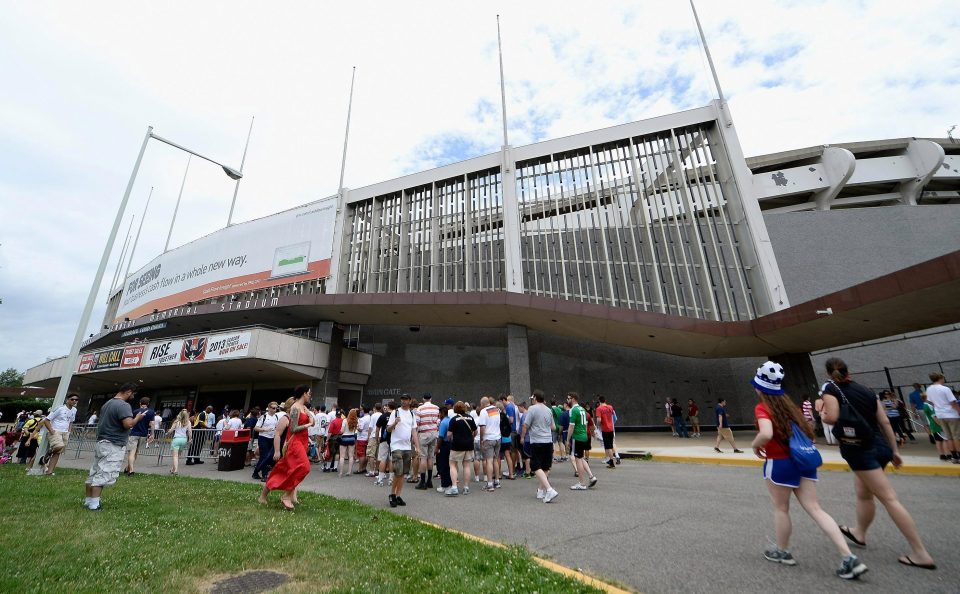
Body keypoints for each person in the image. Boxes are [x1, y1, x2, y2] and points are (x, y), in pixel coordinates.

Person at [748, 361, 867, 579]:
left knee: (781, 509)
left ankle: (783, 552)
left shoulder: (762, 407)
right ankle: (848, 556)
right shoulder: (789, 406)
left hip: (780, 462)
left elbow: (766, 433)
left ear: (760, 387)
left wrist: (756, 445)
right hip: (803, 460)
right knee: (815, 509)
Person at [819, 357, 936, 570]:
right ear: (848, 372)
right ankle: (859, 532)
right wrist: (894, 450)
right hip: (880, 445)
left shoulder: (830, 389)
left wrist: (822, 412)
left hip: (860, 449)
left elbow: (832, 417)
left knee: (889, 498)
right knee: (863, 492)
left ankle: (920, 553)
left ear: (829, 374)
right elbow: (883, 421)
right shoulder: (866, 390)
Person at [85, 383, 147, 511]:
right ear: (129, 392)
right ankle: (94, 504)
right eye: (133, 394)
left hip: (102, 441)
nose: (133, 396)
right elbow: (128, 424)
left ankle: (88, 500)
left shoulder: (107, 404)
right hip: (113, 443)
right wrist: (138, 418)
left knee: (95, 471)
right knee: (104, 473)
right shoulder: (123, 405)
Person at [259, 386, 313, 510]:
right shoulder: (294, 409)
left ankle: (269, 496)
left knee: (286, 469)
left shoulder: (304, 407)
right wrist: (308, 424)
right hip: (295, 443)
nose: (310, 395)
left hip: (303, 442)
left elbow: (313, 420)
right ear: (304, 393)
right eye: (309, 393)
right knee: (304, 467)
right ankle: (286, 496)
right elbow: (293, 429)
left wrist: (310, 419)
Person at [522, 390, 559, 503]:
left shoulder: (532, 409)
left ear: (535, 398)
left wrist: (522, 437)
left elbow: (526, 425)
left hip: (537, 441)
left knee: (535, 466)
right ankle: (540, 491)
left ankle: (549, 489)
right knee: (545, 467)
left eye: (532, 399)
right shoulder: (548, 410)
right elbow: (553, 427)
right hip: (548, 441)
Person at [387, 394, 420, 507]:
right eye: (402, 399)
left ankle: (398, 495)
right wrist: (395, 423)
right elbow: (388, 429)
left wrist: (417, 447)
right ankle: (392, 494)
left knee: (403, 473)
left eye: (406, 400)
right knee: (398, 472)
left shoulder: (411, 414)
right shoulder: (395, 412)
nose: (404, 401)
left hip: (407, 447)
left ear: (410, 401)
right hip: (396, 446)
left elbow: (414, 431)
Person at [39, 394, 79, 475]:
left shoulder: (74, 410)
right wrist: (52, 431)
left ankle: (49, 472)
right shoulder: (60, 408)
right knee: (59, 446)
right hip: (56, 431)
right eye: (72, 399)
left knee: (58, 452)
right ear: (67, 400)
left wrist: (69, 431)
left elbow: (71, 421)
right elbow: (46, 420)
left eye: (76, 400)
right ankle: (48, 453)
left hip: (65, 432)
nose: (74, 401)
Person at [925, 372, 960, 463]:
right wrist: (958, 411)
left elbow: (931, 402)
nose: (944, 380)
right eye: (943, 378)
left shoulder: (929, 389)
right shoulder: (945, 389)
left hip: (940, 415)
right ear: (940, 378)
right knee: (956, 436)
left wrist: (938, 407)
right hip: (951, 414)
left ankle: (954, 456)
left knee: (948, 436)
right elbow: (953, 402)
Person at [567, 392, 597, 490]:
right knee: (581, 457)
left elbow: (571, 426)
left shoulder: (573, 410)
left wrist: (568, 440)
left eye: (569, 398)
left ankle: (581, 483)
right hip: (584, 436)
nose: (567, 400)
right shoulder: (582, 409)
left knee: (577, 459)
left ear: (573, 399)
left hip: (577, 437)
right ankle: (591, 476)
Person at [447, 401, 477, 496]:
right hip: (468, 445)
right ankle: (466, 488)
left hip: (457, 445)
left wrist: (451, 439)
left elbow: (449, 434)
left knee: (452, 464)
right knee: (467, 466)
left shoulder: (453, 419)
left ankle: (454, 487)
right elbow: (475, 431)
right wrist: (471, 437)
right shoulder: (470, 418)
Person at [414, 394, 440, 490]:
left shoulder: (420, 409)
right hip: (433, 434)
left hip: (423, 434)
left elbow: (417, 423)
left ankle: (423, 482)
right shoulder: (436, 408)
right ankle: (429, 481)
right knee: (430, 458)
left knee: (423, 458)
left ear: (423, 399)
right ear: (431, 399)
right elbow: (438, 422)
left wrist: (415, 437)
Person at [476, 396, 502, 492]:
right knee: (495, 459)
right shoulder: (497, 409)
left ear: (482, 404)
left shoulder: (484, 411)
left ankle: (490, 484)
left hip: (489, 438)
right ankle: (497, 481)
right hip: (498, 438)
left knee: (489, 461)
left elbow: (482, 427)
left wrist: (482, 439)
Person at [123, 397, 155, 476]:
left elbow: (131, 422)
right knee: (136, 452)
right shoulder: (151, 412)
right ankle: (128, 468)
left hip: (133, 433)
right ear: (148, 404)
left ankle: (130, 470)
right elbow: (152, 424)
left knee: (131, 452)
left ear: (140, 403)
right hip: (143, 434)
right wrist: (152, 434)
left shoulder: (135, 411)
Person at [252, 402, 279, 481]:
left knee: (268, 457)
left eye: (276, 408)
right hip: (263, 437)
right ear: (269, 408)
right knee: (265, 456)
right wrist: (264, 429)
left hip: (272, 438)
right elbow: (256, 428)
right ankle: (264, 475)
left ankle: (256, 472)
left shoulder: (276, 417)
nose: (275, 410)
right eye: (273, 408)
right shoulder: (263, 417)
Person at [921, 394, 950, 460]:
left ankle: (942, 455)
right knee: (945, 440)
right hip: (937, 425)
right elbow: (934, 417)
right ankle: (948, 454)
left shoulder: (924, 405)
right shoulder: (929, 406)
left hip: (932, 425)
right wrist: (941, 425)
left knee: (938, 440)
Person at [166, 409, 192, 475]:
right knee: (178, 456)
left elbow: (171, 430)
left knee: (175, 456)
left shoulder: (176, 421)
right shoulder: (188, 422)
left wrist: (167, 433)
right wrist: (190, 439)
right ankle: (173, 469)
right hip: (184, 439)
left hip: (176, 439)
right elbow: (189, 431)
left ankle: (176, 470)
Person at [374, 401, 394, 486]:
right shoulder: (396, 416)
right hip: (393, 440)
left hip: (384, 439)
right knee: (391, 460)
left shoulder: (383, 416)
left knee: (382, 459)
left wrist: (377, 438)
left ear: (388, 407)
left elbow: (377, 428)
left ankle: (380, 479)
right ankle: (391, 479)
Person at [595, 396, 617, 468]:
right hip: (611, 429)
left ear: (599, 401)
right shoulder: (610, 407)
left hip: (605, 429)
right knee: (610, 445)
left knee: (608, 447)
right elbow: (613, 417)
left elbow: (599, 420)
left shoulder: (599, 409)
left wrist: (598, 427)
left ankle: (611, 462)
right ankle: (611, 460)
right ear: (605, 400)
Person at [435, 406, 452, 493]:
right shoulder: (450, 420)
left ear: (442, 413)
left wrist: (437, 448)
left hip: (444, 445)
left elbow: (441, 436)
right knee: (449, 465)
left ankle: (444, 485)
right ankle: (449, 483)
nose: (439, 415)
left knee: (443, 465)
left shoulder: (443, 422)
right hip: (450, 444)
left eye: (440, 413)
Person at [339, 408, 358, 477]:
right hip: (352, 438)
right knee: (351, 456)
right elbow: (355, 430)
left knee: (342, 456)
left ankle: (341, 472)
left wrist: (339, 432)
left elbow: (342, 430)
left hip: (344, 438)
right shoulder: (355, 421)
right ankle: (349, 471)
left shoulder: (345, 420)